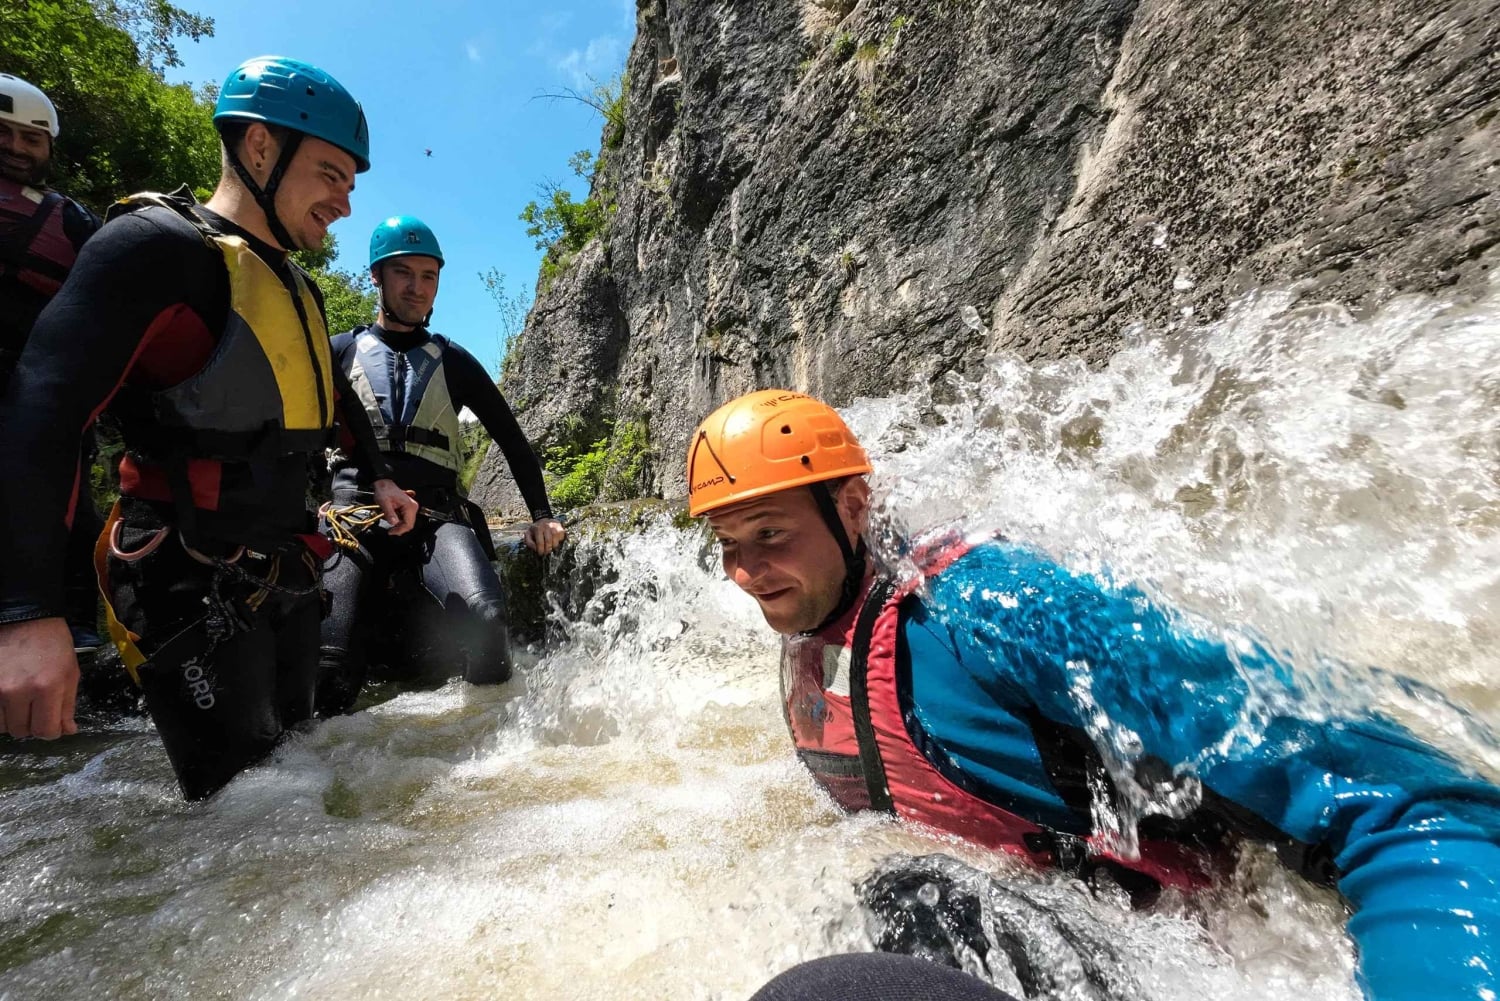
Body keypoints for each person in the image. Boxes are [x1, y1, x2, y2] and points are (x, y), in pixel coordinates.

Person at [687, 389, 1500, 1001]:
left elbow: (1413, 805)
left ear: (853, 507)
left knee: (880, 938)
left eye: (770, 533)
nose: (746, 572)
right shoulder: (819, 637)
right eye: (728, 544)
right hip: (1066, 935)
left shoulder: (1001, 609)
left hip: (1185, 956)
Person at [0, 55, 419, 801]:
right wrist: (27, 612)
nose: (344, 203)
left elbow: (330, 399)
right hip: (186, 578)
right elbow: (43, 409)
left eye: (351, 184)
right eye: (331, 175)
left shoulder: (296, 284)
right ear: (260, 147)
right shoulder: (154, 249)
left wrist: (381, 476)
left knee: (303, 781)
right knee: (250, 813)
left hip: (285, 571)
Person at [315, 215, 564, 715]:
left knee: (487, 620)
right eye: (403, 273)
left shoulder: (453, 360)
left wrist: (542, 514)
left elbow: (513, 441)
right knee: (327, 664)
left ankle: (492, 741)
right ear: (376, 277)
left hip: (435, 518)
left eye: (428, 276)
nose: (417, 287)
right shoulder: (337, 352)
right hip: (353, 520)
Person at [0, 73, 106, 654]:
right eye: (4, 133)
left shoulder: (73, 221)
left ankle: (78, 633)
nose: (16, 147)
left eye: (30, 138)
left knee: (68, 511)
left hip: (41, 391)